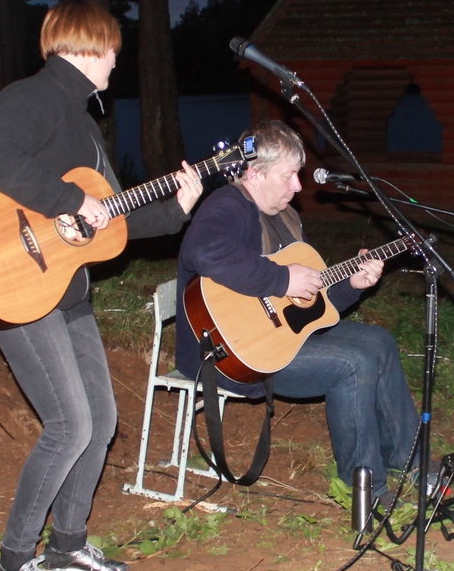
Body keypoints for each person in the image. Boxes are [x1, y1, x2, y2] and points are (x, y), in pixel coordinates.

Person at [0, 1, 204, 571]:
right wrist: (69, 200)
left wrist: (178, 208)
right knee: (70, 424)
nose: (116, 63)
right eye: (113, 51)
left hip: (67, 292)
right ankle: (12, 564)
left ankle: (67, 545)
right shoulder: (33, 98)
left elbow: (112, 220)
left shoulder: (84, 126)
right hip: (16, 283)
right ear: (87, 48)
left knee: (99, 421)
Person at [175, 120, 422, 506]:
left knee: (380, 341)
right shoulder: (227, 205)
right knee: (353, 363)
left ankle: (410, 460)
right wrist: (281, 279)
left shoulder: (284, 216)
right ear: (254, 174)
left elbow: (312, 305)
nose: (298, 186)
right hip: (231, 353)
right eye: (288, 175)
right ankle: (366, 492)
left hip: (275, 338)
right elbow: (203, 251)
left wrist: (352, 284)